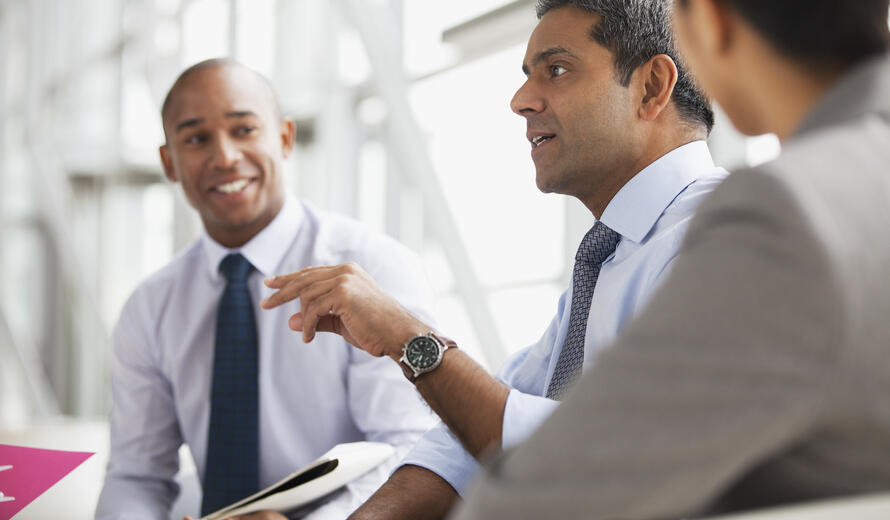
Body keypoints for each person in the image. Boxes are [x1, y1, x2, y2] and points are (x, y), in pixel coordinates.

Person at [261, 1, 726, 517]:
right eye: (528, 76)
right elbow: (467, 444)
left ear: (651, 87)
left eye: (557, 69)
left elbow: (595, 458)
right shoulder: (609, 256)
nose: (521, 100)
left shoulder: (720, 241)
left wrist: (405, 336)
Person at [447, 0, 890, 518]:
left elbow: (546, 496)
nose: (520, 101)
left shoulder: (785, 214)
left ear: (709, 19)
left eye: (557, 70)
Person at [95, 59, 437, 520]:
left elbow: (409, 449)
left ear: (285, 138)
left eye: (244, 130)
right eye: (196, 138)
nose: (224, 157)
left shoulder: (373, 268)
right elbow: (136, 477)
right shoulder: (150, 307)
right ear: (168, 162)